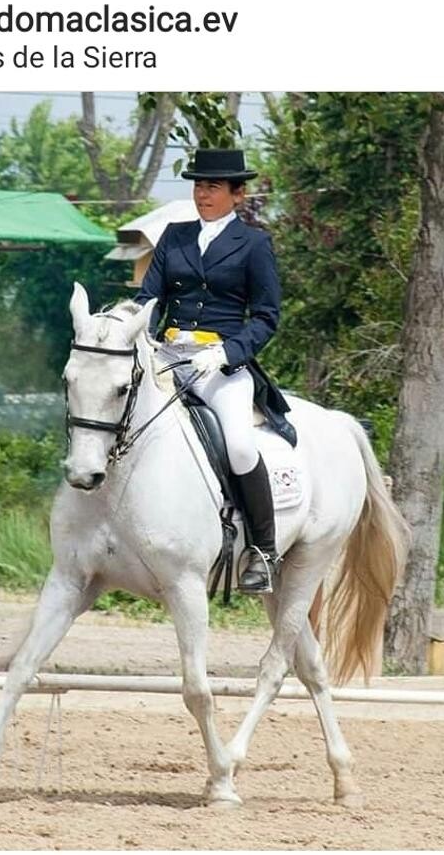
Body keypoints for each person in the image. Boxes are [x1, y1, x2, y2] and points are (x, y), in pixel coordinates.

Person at [134, 147, 295, 594]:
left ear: (237, 194)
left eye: (212, 187)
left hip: (217, 367)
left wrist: (225, 353)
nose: (202, 194)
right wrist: (132, 328)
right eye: (198, 185)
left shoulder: (255, 244)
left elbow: (266, 317)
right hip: (166, 358)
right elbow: (150, 298)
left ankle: (263, 549)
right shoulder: (174, 236)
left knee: (241, 448)